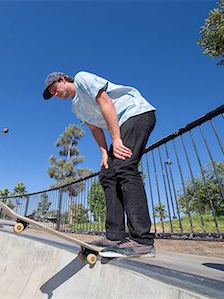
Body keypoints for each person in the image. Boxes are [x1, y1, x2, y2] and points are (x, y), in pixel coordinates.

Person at [42, 71, 156, 258]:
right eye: (51, 94)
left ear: (62, 80)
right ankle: (114, 235)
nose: (55, 94)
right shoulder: (75, 108)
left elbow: (106, 102)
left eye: (54, 89)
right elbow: (95, 128)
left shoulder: (81, 79)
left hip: (136, 113)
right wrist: (104, 152)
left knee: (125, 167)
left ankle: (142, 240)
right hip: (120, 125)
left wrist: (116, 139)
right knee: (107, 174)